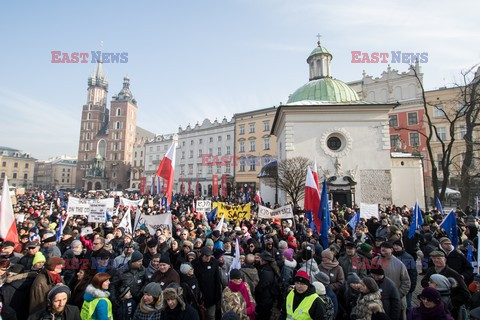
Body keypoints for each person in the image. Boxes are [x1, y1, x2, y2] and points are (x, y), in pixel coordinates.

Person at [421, 250, 470, 319]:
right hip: (432, 308)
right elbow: (423, 282)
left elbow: (465, 294)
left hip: (449, 311)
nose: (436, 260)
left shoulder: (453, 274)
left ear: (445, 260)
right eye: (434, 258)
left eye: (439, 258)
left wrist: (450, 303)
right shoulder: (431, 270)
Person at [192, 247, 222, 320]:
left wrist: (218, 294)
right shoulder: (195, 263)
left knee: (211, 316)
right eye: (206, 256)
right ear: (202, 255)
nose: (208, 258)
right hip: (200, 295)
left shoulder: (214, 262)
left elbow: (217, 279)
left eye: (209, 256)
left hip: (212, 295)